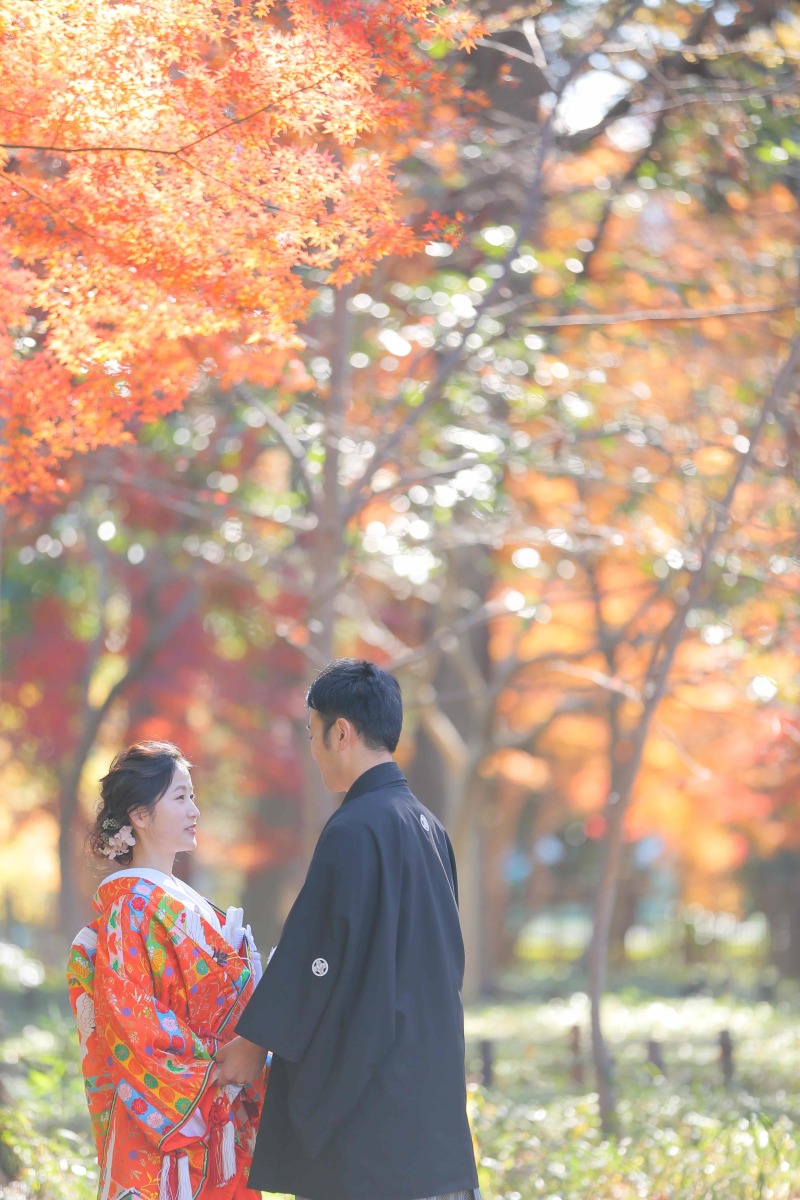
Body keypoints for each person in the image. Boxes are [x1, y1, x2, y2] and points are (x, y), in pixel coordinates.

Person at [215, 659, 481, 1200]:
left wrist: (256, 1042)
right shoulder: (428, 826)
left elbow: (319, 955)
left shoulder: (357, 827)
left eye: (312, 733)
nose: (312, 750)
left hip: (375, 1110)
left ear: (341, 732)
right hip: (430, 1094)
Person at [66, 740, 267, 1200]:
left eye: (192, 796)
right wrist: (216, 1069)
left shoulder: (183, 902)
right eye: (180, 797)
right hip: (173, 1118)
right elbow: (130, 1022)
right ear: (139, 815)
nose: (194, 809)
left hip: (220, 1107)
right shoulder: (130, 908)